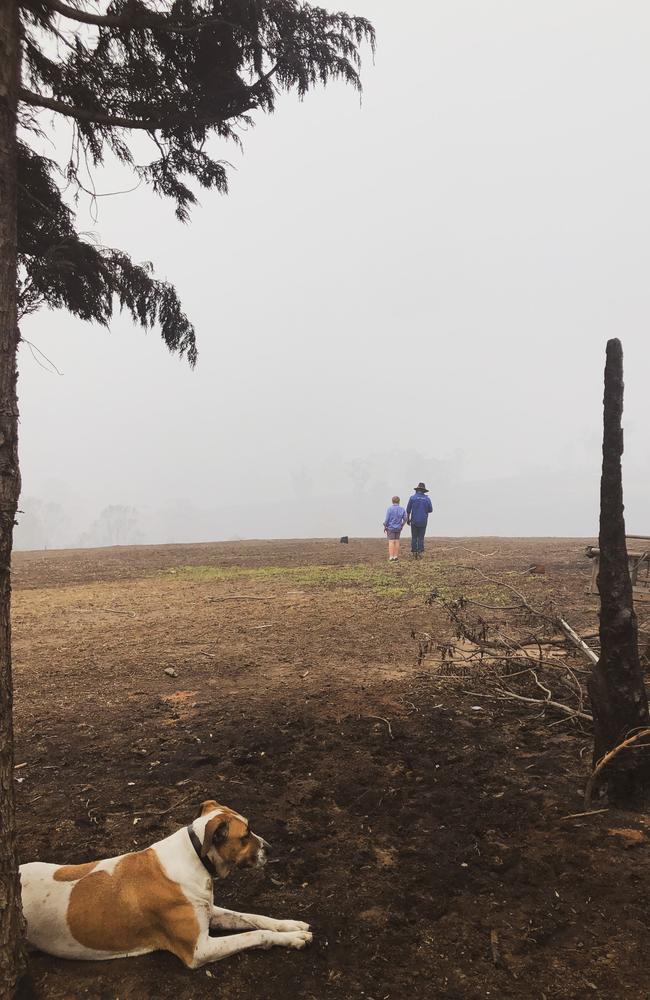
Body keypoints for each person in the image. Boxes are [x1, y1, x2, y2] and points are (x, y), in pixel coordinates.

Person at [406, 482, 433, 558]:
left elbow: (408, 510)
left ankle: (414, 552)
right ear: (424, 491)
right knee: (421, 537)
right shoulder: (427, 499)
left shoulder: (412, 498)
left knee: (414, 537)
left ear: (417, 490)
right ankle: (420, 552)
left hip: (414, 520)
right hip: (423, 521)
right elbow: (430, 510)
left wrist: (408, 519)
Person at [383, 495, 407, 561]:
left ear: (392, 501)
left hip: (390, 528)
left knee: (391, 542)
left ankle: (391, 557)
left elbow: (387, 519)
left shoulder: (389, 509)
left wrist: (385, 525)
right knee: (397, 541)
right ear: (399, 501)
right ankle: (395, 556)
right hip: (398, 527)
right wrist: (402, 525)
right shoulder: (402, 509)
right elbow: (405, 518)